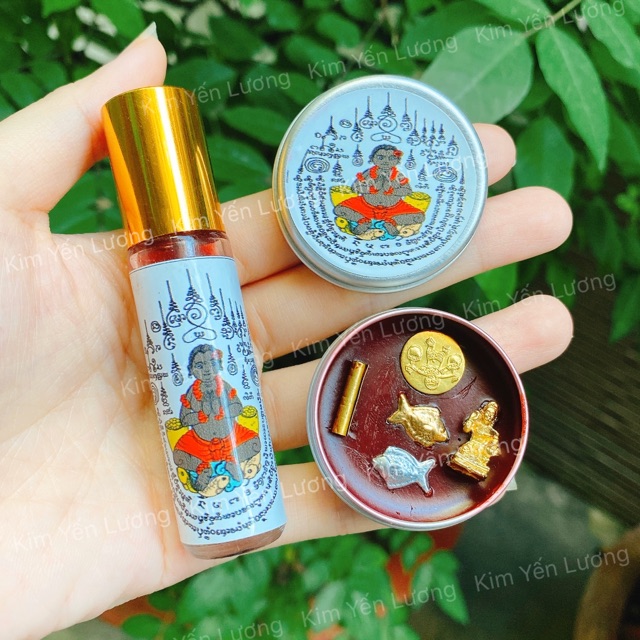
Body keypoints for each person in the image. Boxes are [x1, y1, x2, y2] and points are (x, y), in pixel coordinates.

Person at [0, 26, 573, 639]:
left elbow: (233, 400)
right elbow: (190, 408)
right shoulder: (157, 275)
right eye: (200, 366)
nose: (382, 167)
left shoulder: (224, 254)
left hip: (233, 412)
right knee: (202, 445)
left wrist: (391, 193)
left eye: (387, 163)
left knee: (247, 430)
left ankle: (232, 472)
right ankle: (216, 481)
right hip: (202, 436)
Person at [334, 144, 424, 237]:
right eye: (380, 157)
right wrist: (369, 189)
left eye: (391, 158)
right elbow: (355, 188)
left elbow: (408, 190)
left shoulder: (398, 175)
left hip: (393, 209)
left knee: (419, 217)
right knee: (339, 209)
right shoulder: (368, 174)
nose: (386, 161)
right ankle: (363, 221)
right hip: (365, 207)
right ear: (372, 159)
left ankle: (391, 222)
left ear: (397, 160)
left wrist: (393, 191)